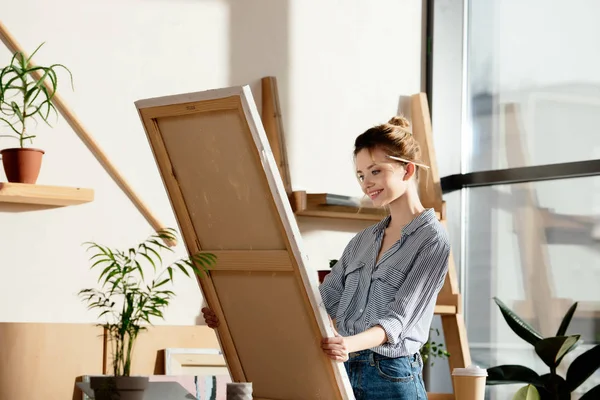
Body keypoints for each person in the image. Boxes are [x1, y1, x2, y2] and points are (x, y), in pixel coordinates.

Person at [202, 116, 450, 400]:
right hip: (342, 369)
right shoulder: (362, 242)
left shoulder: (432, 240)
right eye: (361, 175)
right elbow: (316, 303)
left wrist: (347, 343)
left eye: (375, 171)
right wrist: (231, 315)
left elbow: (397, 321)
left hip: (391, 377)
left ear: (407, 171)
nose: (366, 183)